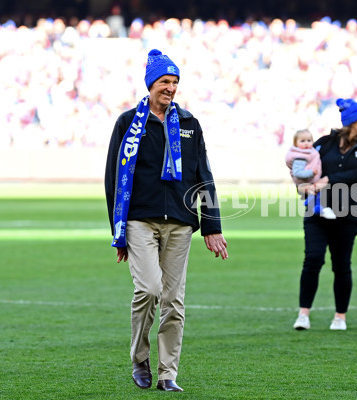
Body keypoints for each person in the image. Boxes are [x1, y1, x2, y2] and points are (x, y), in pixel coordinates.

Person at [104, 49, 228, 392]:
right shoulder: (127, 122)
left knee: (174, 300)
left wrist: (212, 226)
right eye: (164, 82)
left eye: (174, 82)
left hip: (180, 223)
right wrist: (118, 231)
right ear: (150, 84)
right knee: (149, 289)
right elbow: (113, 177)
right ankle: (139, 358)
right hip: (139, 221)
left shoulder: (190, 123)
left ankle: (167, 374)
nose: (170, 88)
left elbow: (204, 175)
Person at [293, 98, 357, 331]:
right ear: (352, 121)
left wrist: (328, 180)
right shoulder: (323, 144)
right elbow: (303, 166)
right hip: (316, 212)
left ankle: (340, 317)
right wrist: (300, 186)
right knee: (313, 259)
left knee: (341, 265)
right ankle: (303, 315)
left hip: (348, 213)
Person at [285, 129, 336, 219]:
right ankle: (319, 208)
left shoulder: (309, 152)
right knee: (317, 191)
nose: (306, 143)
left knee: (317, 193)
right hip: (306, 180)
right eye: (302, 141)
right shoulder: (300, 157)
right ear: (295, 143)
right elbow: (297, 173)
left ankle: (315, 205)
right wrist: (311, 173)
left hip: (310, 179)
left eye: (309, 140)